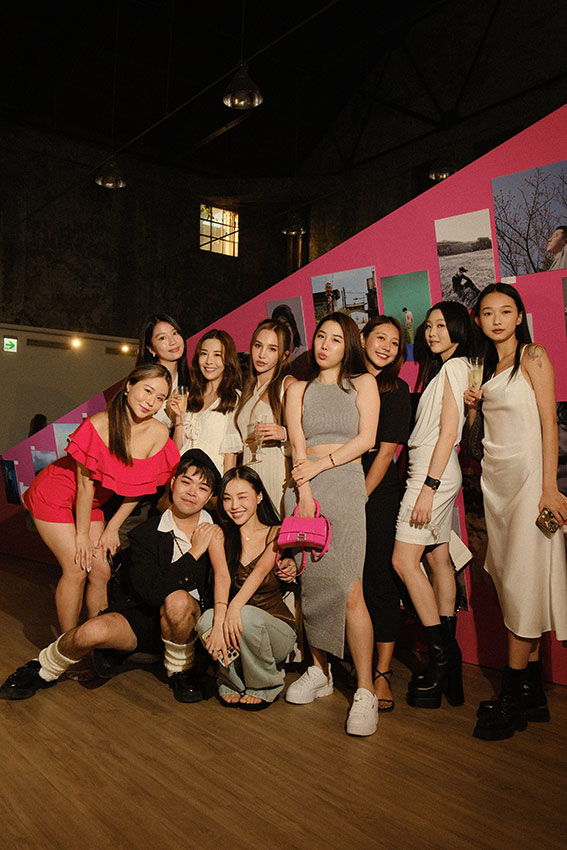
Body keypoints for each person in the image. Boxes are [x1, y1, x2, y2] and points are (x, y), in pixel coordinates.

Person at [0, 451, 230, 703]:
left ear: (209, 495)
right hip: (147, 619)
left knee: (178, 601)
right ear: (173, 483)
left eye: (202, 488)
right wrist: (195, 552)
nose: (192, 492)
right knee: (89, 631)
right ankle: (42, 668)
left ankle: (181, 671)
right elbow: (152, 593)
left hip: (189, 624)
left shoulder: (217, 529)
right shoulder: (146, 533)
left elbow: (222, 580)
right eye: (186, 482)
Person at [465, 283, 567, 740]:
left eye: (506, 311)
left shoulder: (533, 355)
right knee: (511, 582)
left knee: (524, 582)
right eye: (488, 313)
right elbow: (477, 444)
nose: (497, 320)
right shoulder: (487, 369)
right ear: (479, 320)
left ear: (520, 316)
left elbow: (549, 423)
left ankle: (511, 698)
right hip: (497, 486)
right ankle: (532, 694)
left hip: (530, 485)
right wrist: (472, 410)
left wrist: (550, 488)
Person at [23, 363, 180, 636]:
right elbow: (85, 486)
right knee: (77, 568)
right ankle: (69, 646)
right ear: (129, 386)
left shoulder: (158, 433)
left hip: (93, 502)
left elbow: (139, 487)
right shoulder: (98, 424)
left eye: (159, 398)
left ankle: (96, 643)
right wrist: (82, 535)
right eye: (147, 390)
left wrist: (112, 528)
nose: (151, 402)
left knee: (101, 571)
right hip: (55, 493)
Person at [283, 312, 380, 737]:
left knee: (349, 587)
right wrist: (304, 492)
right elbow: (296, 444)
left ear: (349, 345)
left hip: (344, 483)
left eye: (336, 339)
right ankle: (319, 671)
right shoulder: (297, 388)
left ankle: (365, 689)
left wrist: (322, 465)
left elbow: (367, 440)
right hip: (304, 487)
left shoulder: (364, 383)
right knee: (311, 585)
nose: (324, 344)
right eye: (321, 336)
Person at [391, 301, 471, 709]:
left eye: (441, 325)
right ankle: (451, 672)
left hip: (432, 474)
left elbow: (448, 432)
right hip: (431, 471)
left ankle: (442, 658)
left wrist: (428, 487)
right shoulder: (445, 369)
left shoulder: (455, 367)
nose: (432, 332)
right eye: (429, 326)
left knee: (404, 561)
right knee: (439, 560)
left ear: (457, 329)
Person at [197, 467, 297, 709]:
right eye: (227, 498)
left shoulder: (276, 532)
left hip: (276, 630)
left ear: (259, 496)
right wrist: (219, 620)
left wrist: (233, 609)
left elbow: (260, 571)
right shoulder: (220, 535)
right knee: (206, 621)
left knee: (245, 616)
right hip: (238, 629)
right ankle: (231, 680)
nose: (234, 506)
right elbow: (222, 576)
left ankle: (265, 684)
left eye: (242, 497)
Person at [360, 316, 411, 711]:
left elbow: (386, 452)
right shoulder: (344, 382)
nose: (387, 347)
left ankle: (382, 672)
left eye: (394, 343)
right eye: (380, 338)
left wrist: (359, 496)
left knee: (379, 579)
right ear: (362, 339)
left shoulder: (397, 389)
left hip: (375, 494)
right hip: (338, 485)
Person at [235, 319, 296, 517]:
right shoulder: (248, 389)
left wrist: (284, 433)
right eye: (258, 345)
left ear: (283, 355)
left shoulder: (287, 385)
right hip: (248, 478)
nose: (262, 354)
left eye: (272, 349)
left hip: (276, 475)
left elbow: (310, 436)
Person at [170, 329, 242, 475]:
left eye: (217, 355)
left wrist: (225, 487)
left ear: (228, 360)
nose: (209, 361)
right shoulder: (190, 396)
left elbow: (231, 455)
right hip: (183, 478)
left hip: (211, 482)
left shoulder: (233, 399)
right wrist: (178, 418)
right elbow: (177, 452)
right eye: (204, 354)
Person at [136, 314, 190, 429]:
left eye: (175, 333)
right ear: (151, 348)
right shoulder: (143, 381)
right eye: (162, 338)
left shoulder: (192, 380)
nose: (173, 342)